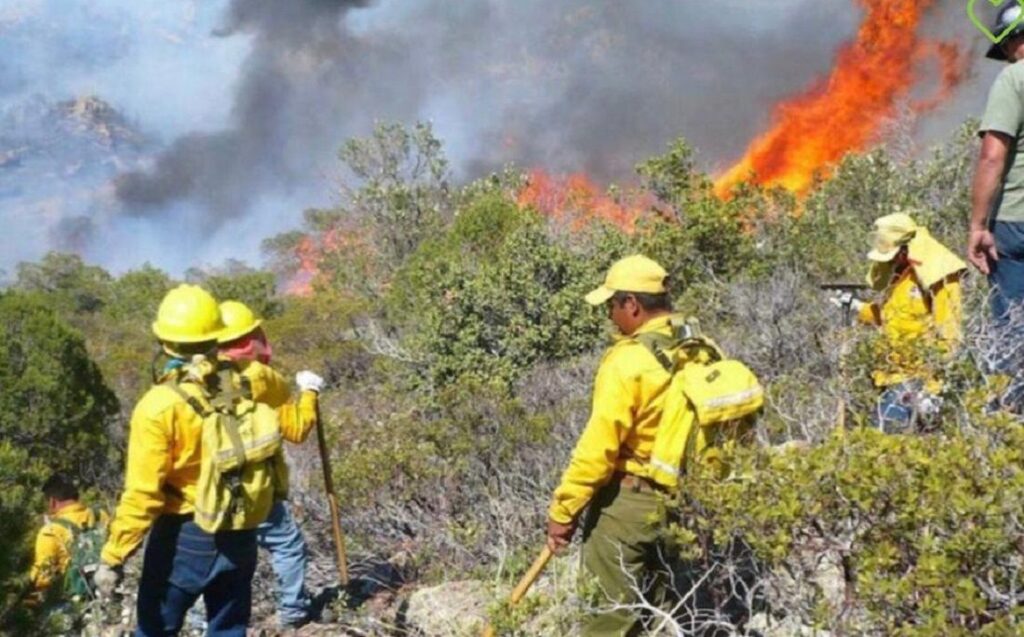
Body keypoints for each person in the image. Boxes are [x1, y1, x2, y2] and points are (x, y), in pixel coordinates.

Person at [93, 285, 260, 636]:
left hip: (187, 534)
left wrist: (114, 555)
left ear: (165, 343)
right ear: (216, 337)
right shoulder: (239, 383)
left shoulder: (159, 406)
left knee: (156, 629)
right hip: (241, 525)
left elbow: (143, 495)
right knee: (229, 628)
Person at [546, 254, 692, 636]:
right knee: (663, 611)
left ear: (632, 304)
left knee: (608, 617)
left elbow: (598, 449)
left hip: (627, 505)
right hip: (684, 502)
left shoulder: (628, 361)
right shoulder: (695, 346)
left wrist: (565, 511)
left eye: (612, 305)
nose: (610, 315)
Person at [217, 300, 323, 629]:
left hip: (206, 490)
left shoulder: (198, 380)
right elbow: (297, 429)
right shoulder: (262, 378)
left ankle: (198, 621)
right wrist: (309, 392)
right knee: (287, 545)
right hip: (256, 487)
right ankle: (293, 612)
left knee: (216, 554)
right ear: (251, 339)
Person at [833, 213, 965, 432]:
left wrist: (934, 390)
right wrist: (857, 307)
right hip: (892, 376)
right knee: (889, 440)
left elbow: (950, 333)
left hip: (919, 380)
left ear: (906, 248)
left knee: (891, 440)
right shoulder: (901, 275)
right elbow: (891, 317)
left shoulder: (939, 277)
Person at [970, 2, 1024, 409]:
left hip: (1017, 222)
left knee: (1011, 332)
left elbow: (993, 155)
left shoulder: (1014, 78)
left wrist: (977, 226)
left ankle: (1010, 422)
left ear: (1013, 41)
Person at [30, 474, 104, 599]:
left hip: (75, 600)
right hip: (108, 589)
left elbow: (43, 577)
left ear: (52, 501)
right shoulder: (100, 515)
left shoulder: (51, 531)